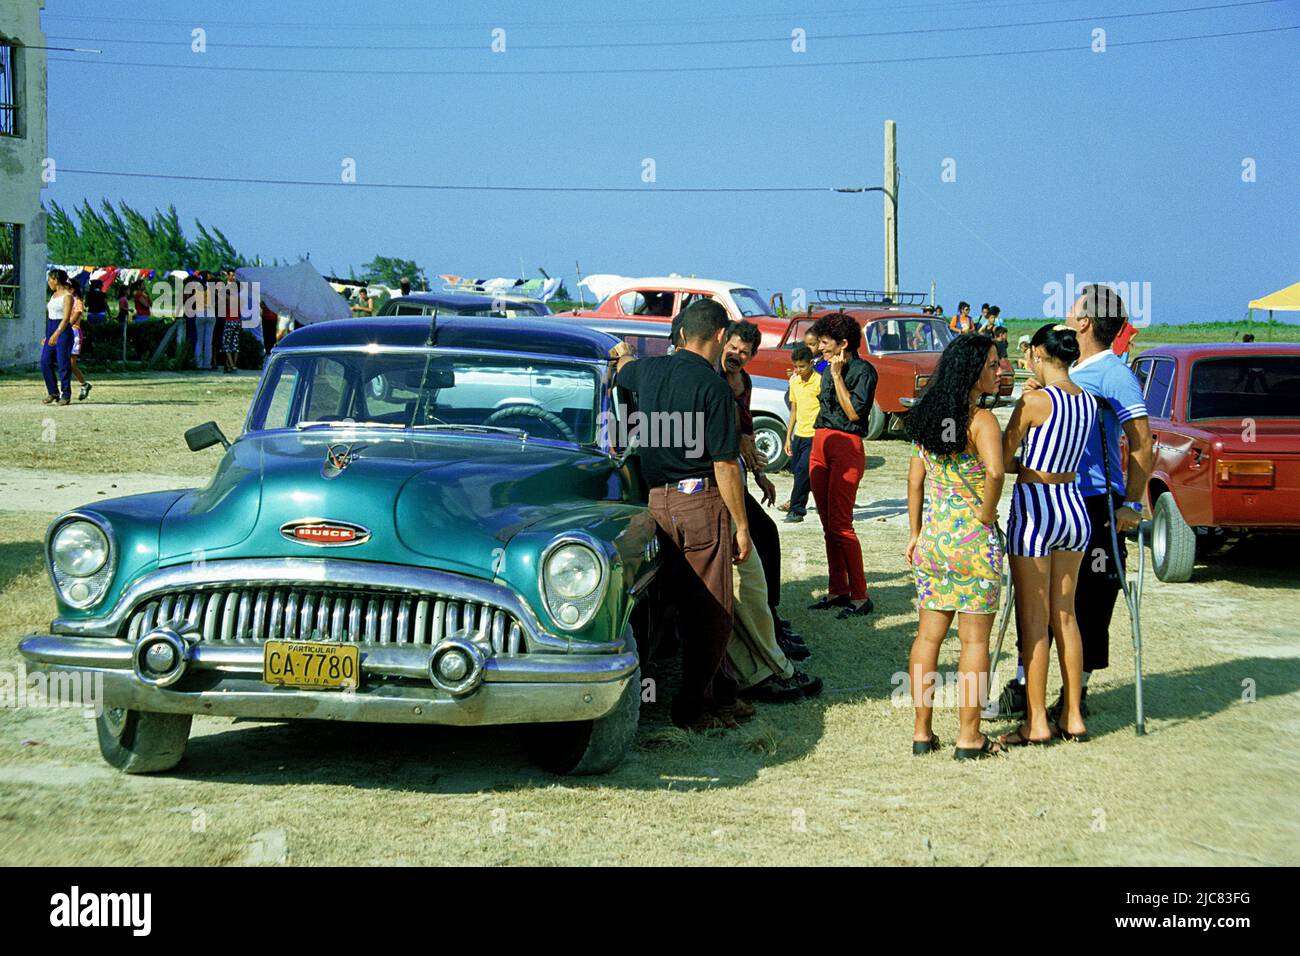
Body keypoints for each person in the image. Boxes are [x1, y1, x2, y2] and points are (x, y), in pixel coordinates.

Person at [610, 299, 753, 731]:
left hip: (656, 504)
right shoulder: (713, 388)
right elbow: (726, 465)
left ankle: (715, 695)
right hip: (701, 502)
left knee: (671, 606)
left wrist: (623, 354)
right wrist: (742, 526)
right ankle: (692, 707)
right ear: (718, 336)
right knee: (711, 612)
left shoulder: (647, 373)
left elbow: (621, 370)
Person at [904, 333, 1006, 758]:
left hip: (933, 541)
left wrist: (914, 533)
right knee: (974, 643)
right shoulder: (981, 421)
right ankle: (969, 736)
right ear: (972, 370)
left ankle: (922, 733)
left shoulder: (927, 415)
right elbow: (997, 473)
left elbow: (914, 480)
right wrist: (985, 515)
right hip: (973, 543)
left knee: (928, 637)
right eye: (993, 365)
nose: (1000, 371)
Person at [1056, 285, 1153, 720]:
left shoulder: (1114, 374)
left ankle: (1077, 692)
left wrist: (1131, 504)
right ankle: (1027, 682)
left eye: (1073, 307)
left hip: (1098, 502)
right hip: (1057, 498)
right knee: (1048, 595)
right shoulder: (1071, 367)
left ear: (1085, 322)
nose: (1066, 311)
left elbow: (1141, 443)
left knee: (1093, 598)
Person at [999, 323, 1097, 746]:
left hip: (1036, 508)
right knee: (1067, 615)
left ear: (1039, 353)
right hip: (1073, 505)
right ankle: (1073, 714)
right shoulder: (1089, 401)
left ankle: (1037, 721)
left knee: (1034, 620)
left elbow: (1002, 459)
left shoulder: (1035, 402)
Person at [720, 320, 811, 666]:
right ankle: (766, 624)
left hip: (737, 472)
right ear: (722, 342)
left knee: (768, 535)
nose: (736, 355)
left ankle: (772, 617)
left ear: (752, 356)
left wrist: (760, 475)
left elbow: (746, 431)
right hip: (715, 475)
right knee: (761, 535)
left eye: (744, 352)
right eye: (733, 348)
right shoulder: (710, 377)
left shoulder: (744, 382)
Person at [807, 312, 876, 620]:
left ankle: (860, 595)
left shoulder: (863, 371)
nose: (820, 347)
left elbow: (854, 414)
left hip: (846, 446)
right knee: (827, 526)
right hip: (819, 443)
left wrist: (836, 376)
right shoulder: (822, 367)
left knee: (841, 525)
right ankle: (838, 589)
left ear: (843, 343)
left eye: (824, 342)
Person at [782, 343, 820, 524]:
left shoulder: (820, 381)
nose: (798, 370)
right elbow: (794, 410)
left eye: (802, 366)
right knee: (801, 472)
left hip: (815, 435)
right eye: (795, 366)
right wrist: (788, 437)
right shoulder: (794, 382)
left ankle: (796, 510)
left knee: (802, 471)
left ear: (811, 363)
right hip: (799, 434)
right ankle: (823, 500)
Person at [41, 270, 76, 406]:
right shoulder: (53, 295)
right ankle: (53, 392)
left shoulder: (67, 296)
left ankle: (66, 394)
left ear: (56, 279)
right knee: (45, 362)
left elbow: (66, 318)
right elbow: (51, 316)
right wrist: (48, 335)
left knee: (63, 364)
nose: (49, 282)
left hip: (63, 331)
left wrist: (56, 333)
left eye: (50, 279)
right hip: (51, 328)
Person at [67, 284, 91, 401]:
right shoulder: (64, 300)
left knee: (71, 364)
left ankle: (84, 384)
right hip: (64, 331)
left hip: (73, 332)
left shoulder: (77, 301)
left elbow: (75, 317)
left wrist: (62, 329)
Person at [219, 271, 243, 373]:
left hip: (229, 321)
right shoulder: (239, 298)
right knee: (235, 344)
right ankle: (234, 364)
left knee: (227, 345)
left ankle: (231, 365)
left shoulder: (229, 297)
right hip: (237, 321)